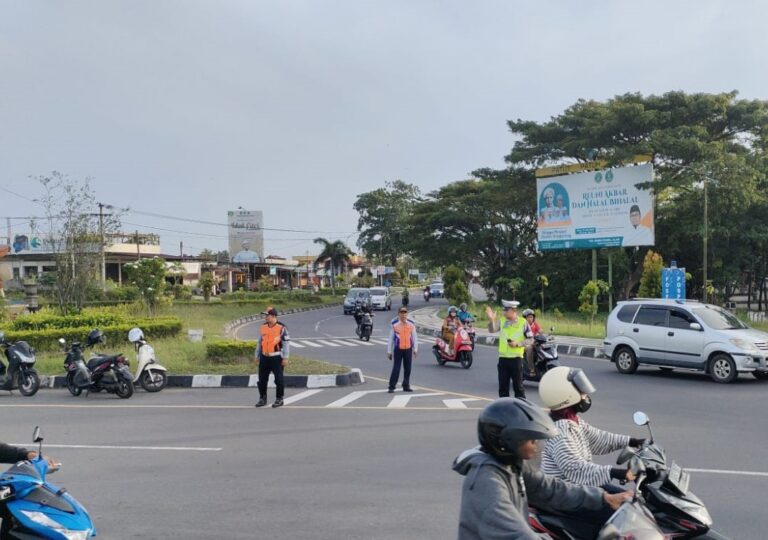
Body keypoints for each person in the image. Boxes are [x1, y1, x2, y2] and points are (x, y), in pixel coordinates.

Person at [454, 398, 632, 540]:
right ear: (507, 442)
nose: (536, 445)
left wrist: (604, 498)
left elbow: (550, 488)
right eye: (530, 440)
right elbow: (513, 532)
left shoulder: (511, 466)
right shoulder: (486, 481)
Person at [538, 366, 646, 490]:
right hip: (567, 492)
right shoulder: (560, 432)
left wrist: (631, 441)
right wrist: (614, 472)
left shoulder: (570, 420)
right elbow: (575, 468)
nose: (586, 396)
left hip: (580, 486)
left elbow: (597, 438)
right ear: (566, 395)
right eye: (582, 392)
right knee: (626, 502)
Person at [485, 300, 532, 398]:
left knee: (518, 388)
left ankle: (521, 410)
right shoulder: (502, 321)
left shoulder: (523, 322)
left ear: (513, 310)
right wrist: (491, 320)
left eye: (506, 310)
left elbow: (531, 339)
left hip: (516, 359)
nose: (504, 312)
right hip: (503, 359)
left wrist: (517, 344)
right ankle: (504, 410)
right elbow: (491, 330)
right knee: (503, 388)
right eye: (503, 310)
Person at [254, 307, 290, 408]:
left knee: (279, 379)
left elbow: (286, 343)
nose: (265, 317)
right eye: (265, 315)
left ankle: (279, 399)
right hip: (264, 357)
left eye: (267, 315)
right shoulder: (263, 327)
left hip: (276, 357)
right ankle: (262, 398)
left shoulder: (282, 328)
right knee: (262, 379)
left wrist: (285, 358)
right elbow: (260, 342)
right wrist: (257, 355)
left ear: (274, 316)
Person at [386, 306, 419, 393]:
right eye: (402, 313)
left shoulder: (411, 324)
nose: (403, 315)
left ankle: (406, 385)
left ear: (407, 314)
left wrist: (415, 349)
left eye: (405, 313)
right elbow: (391, 338)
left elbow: (414, 337)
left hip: (408, 349)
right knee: (396, 368)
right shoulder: (395, 324)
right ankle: (391, 386)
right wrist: (389, 351)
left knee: (408, 368)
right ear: (399, 314)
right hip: (398, 349)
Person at [522, 308, 541, 377]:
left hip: (533, 342)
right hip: (524, 344)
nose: (530, 318)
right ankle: (532, 369)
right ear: (525, 318)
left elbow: (540, 331)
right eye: (528, 317)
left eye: (531, 317)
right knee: (530, 348)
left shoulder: (535, 324)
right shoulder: (523, 325)